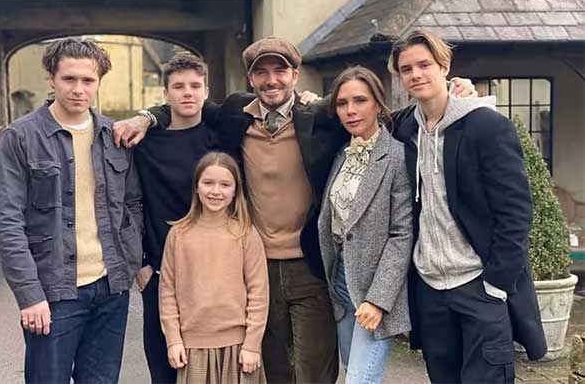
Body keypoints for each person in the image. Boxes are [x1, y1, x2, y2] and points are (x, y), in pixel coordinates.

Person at [115, 36, 476, 383]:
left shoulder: (320, 116)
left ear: (294, 74)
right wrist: (144, 118)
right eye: (262, 72)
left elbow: (376, 113)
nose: (271, 80)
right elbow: (183, 102)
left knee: (314, 368)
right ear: (251, 78)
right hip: (255, 265)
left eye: (280, 71)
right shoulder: (233, 115)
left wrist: (445, 93)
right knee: (270, 368)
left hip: (311, 264)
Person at [388, 29, 547, 383]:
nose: (416, 74)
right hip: (430, 289)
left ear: (444, 66)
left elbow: (516, 211)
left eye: (424, 64)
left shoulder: (486, 126)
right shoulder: (403, 130)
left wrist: (497, 283)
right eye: (406, 68)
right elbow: (357, 114)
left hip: (478, 284)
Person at [0, 37, 144, 383]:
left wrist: (133, 260)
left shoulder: (113, 136)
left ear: (98, 81)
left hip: (110, 290)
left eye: (88, 80)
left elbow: (132, 204)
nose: (78, 89)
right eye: (69, 79)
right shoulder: (20, 138)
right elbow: (6, 222)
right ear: (51, 78)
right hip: (53, 294)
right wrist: (29, 296)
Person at [318, 66, 413, 383]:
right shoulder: (341, 155)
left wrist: (379, 299)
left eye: (360, 100)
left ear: (378, 103)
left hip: (375, 289)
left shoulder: (398, 157)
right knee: (354, 373)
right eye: (342, 103)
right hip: (341, 282)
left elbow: (402, 235)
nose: (350, 110)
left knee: (360, 379)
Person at [133, 54, 218, 384]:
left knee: (208, 369)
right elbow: (128, 203)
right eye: (178, 86)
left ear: (206, 91)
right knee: (164, 370)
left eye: (195, 86)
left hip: (212, 272)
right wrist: (138, 265)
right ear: (165, 93)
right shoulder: (145, 143)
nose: (188, 93)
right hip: (158, 272)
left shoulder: (220, 139)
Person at [159, 151, 269, 384]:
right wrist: (173, 339)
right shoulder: (179, 235)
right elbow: (167, 292)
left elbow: (259, 294)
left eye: (225, 184)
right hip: (193, 349)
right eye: (208, 183)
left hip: (238, 349)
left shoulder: (245, 234)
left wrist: (252, 345)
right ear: (196, 187)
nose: (216, 191)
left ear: (235, 191)